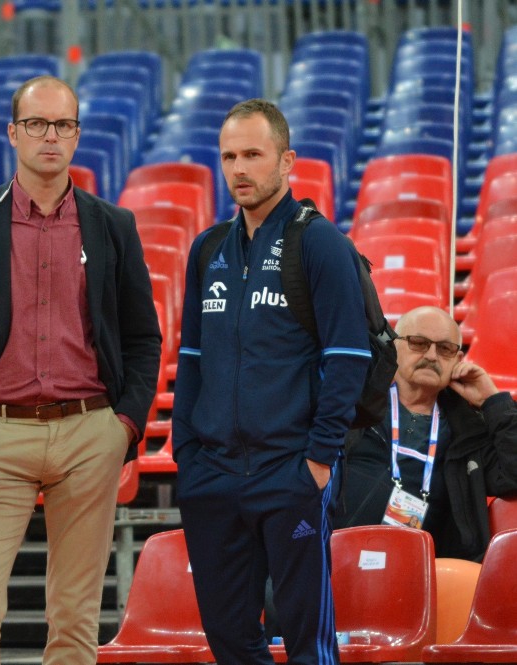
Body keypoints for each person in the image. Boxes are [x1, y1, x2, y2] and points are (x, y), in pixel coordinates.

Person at [0, 75, 161, 665]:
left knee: (75, 619)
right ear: (13, 133)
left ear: (77, 136)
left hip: (89, 432)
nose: (50, 136)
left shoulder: (112, 226)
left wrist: (122, 426)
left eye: (63, 125)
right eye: (37, 124)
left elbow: (142, 336)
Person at [172, 98, 371, 665]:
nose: (239, 168)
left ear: (286, 162)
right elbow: (190, 359)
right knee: (230, 639)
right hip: (213, 475)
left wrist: (317, 459)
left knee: (308, 641)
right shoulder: (207, 248)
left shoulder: (320, 242)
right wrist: (188, 453)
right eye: (229, 156)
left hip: (290, 470)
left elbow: (349, 357)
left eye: (253, 155)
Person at [333, 305, 517, 560]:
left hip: (424, 575)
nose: (432, 355)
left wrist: (494, 401)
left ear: (457, 360)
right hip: (331, 557)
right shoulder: (353, 404)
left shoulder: (468, 431)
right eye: (419, 343)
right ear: (394, 347)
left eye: (445, 348)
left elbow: (513, 474)